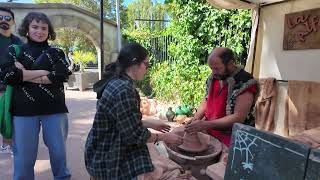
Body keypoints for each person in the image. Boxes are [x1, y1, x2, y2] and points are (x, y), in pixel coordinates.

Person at [84, 43, 183, 179]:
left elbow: (122, 121)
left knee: (149, 159)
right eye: (146, 65)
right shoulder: (124, 89)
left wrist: (150, 123)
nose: (147, 69)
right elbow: (134, 136)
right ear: (135, 63)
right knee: (150, 160)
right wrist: (165, 137)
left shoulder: (118, 80)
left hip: (101, 145)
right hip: (107, 155)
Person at [0, 12, 71, 180]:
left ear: (49, 31)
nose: (39, 31)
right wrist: (44, 73)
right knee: (23, 158)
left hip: (54, 109)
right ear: (27, 29)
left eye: (44, 28)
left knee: (59, 153)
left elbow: (61, 76)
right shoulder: (15, 50)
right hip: (23, 111)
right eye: (35, 27)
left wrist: (24, 74)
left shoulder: (56, 52)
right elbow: (9, 76)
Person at [185, 47, 258, 148]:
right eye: (211, 68)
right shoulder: (214, 78)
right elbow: (206, 101)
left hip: (234, 135)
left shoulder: (245, 81)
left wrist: (206, 125)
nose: (213, 72)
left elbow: (238, 118)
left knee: (222, 158)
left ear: (230, 63)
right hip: (211, 129)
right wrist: (195, 119)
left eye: (217, 68)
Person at [0, 7, 23, 154]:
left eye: (7, 18)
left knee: (10, 116)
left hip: (12, 84)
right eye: (0, 17)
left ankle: (9, 145)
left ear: (13, 21)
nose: (3, 20)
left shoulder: (18, 41)